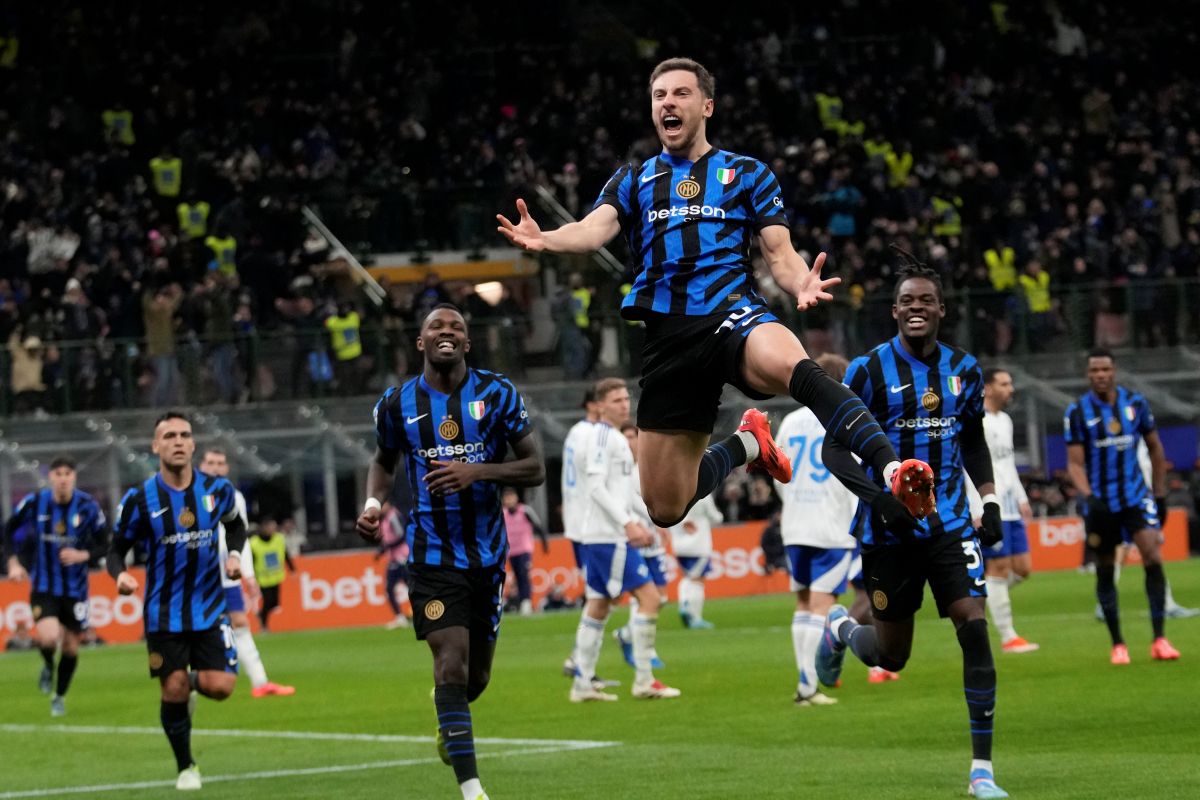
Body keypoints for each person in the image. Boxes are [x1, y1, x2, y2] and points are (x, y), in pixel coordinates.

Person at [497, 57, 931, 541]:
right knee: (665, 507)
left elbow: (779, 252)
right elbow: (593, 228)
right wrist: (548, 239)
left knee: (799, 367)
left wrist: (798, 284)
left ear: (706, 105)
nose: (668, 103)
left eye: (680, 94)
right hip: (668, 338)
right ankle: (748, 444)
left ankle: (892, 469)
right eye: (659, 96)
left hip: (733, 314)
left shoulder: (747, 173)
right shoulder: (634, 178)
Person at [817, 259, 1010, 799]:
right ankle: (840, 630)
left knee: (973, 624)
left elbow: (971, 439)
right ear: (895, 311)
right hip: (887, 533)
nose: (917, 308)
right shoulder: (868, 370)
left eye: (927, 300)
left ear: (941, 309)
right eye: (908, 301)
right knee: (891, 655)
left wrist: (988, 500)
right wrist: (880, 499)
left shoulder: (964, 370)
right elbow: (835, 447)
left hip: (950, 526)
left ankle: (982, 771)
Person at [356, 304, 545, 800]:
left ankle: (447, 712)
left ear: (467, 343)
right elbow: (382, 461)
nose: (447, 332)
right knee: (452, 664)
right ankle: (472, 789)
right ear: (420, 343)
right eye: (436, 327)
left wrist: (478, 472)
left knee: (474, 679)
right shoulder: (397, 404)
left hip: (487, 557)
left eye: (456, 327)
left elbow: (534, 467)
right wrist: (374, 504)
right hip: (431, 556)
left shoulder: (498, 393)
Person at [107, 412, 246, 791]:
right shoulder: (139, 499)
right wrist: (119, 574)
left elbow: (236, 525)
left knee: (220, 687)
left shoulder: (218, 490)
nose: (178, 441)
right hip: (162, 613)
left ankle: (190, 681)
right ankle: (187, 766)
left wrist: (234, 556)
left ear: (193, 444)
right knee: (171, 690)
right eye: (169, 436)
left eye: (185, 434)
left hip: (211, 608)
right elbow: (116, 549)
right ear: (156, 447)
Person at [1064, 348, 1181, 664]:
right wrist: (1089, 497)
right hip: (1102, 503)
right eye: (1094, 371)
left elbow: (1156, 450)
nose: (1100, 375)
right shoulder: (1077, 412)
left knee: (1153, 557)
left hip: (1135, 497)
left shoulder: (1136, 404)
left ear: (1114, 371)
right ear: (1088, 374)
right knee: (1105, 569)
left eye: (1105, 369)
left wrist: (1159, 494)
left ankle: (1160, 639)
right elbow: (1074, 464)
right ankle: (1118, 644)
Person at [566, 377, 679, 702]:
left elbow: (622, 493)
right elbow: (597, 487)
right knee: (650, 599)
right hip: (607, 536)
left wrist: (646, 519)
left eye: (625, 399)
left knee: (598, 606)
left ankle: (582, 683)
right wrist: (629, 525)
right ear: (599, 405)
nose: (624, 405)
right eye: (615, 401)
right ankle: (644, 679)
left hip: (601, 534)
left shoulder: (613, 437)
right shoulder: (603, 438)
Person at [774, 354, 860, 706]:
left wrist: (794, 499)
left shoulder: (791, 421)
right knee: (823, 605)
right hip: (831, 524)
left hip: (795, 523)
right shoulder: (845, 416)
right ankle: (808, 685)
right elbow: (857, 473)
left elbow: (777, 468)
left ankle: (805, 683)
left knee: (803, 603)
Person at [3, 455, 108, 717]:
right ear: (50, 477)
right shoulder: (36, 502)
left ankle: (59, 696)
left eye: (67, 474)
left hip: (76, 590)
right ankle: (49, 665)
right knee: (49, 638)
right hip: (44, 586)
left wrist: (83, 555)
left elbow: (106, 543)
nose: (62, 479)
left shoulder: (88, 507)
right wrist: (14, 563)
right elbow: (7, 531)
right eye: (58, 474)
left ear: (74, 477)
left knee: (71, 647)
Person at [198, 448, 294, 696]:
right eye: (210, 462)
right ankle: (190, 683)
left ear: (227, 468)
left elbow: (239, 536)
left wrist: (248, 574)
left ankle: (260, 682)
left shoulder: (234, 496)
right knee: (195, 628)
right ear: (201, 465)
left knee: (240, 622)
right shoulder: (191, 494)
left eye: (220, 462)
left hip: (227, 573)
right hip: (197, 575)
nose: (216, 467)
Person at [976, 370, 1039, 654]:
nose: (1010, 388)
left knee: (1023, 569)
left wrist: (1023, 497)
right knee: (999, 568)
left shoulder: (1006, 420)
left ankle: (981, 596)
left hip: (1011, 505)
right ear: (988, 388)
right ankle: (1008, 636)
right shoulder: (978, 421)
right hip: (991, 504)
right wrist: (978, 505)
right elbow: (973, 466)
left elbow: (1008, 463)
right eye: (1004, 384)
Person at [614, 421, 668, 667]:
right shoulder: (620, 470)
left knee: (661, 597)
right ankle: (646, 651)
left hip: (652, 540)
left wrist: (663, 529)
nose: (629, 442)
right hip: (635, 539)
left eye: (632, 437)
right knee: (646, 597)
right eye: (624, 437)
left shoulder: (646, 467)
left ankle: (626, 635)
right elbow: (624, 504)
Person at [668, 492, 722, 630]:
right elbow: (715, 517)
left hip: (678, 544)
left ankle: (685, 605)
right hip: (699, 544)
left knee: (688, 577)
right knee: (697, 580)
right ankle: (693, 614)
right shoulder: (703, 491)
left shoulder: (674, 492)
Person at [500, 487, 548, 617]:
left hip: (524, 550)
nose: (509, 500)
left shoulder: (525, 511)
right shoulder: (502, 514)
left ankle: (526, 603)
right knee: (517, 576)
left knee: (524, 574)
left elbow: (538, 526)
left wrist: (545, 544)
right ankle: (522, 602)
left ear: (516, 498)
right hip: (511, 552)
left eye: (511, 497)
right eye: (507, 498)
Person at [249, 517, 295, 631]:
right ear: (264, 528)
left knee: (275, 603)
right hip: (263, 578)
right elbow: (251, 560)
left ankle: (261, 615)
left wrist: (292, 568)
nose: (273, 529)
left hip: (276, 576)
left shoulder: (278, 539)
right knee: (268, 600)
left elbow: (285, 553)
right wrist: (251, 575)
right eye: (271, 527)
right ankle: (264, 625)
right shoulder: (254, 543)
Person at [378, 501, 413, 630]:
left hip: (401, 557)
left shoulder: (393, 516)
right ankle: (400, 617)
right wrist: (383, 550)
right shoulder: (385, 519)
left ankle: (405, 616)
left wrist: (388, 546)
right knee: (395, 586)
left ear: (387, 504)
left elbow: (401, 534)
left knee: (407, 585)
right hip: (394, 558)